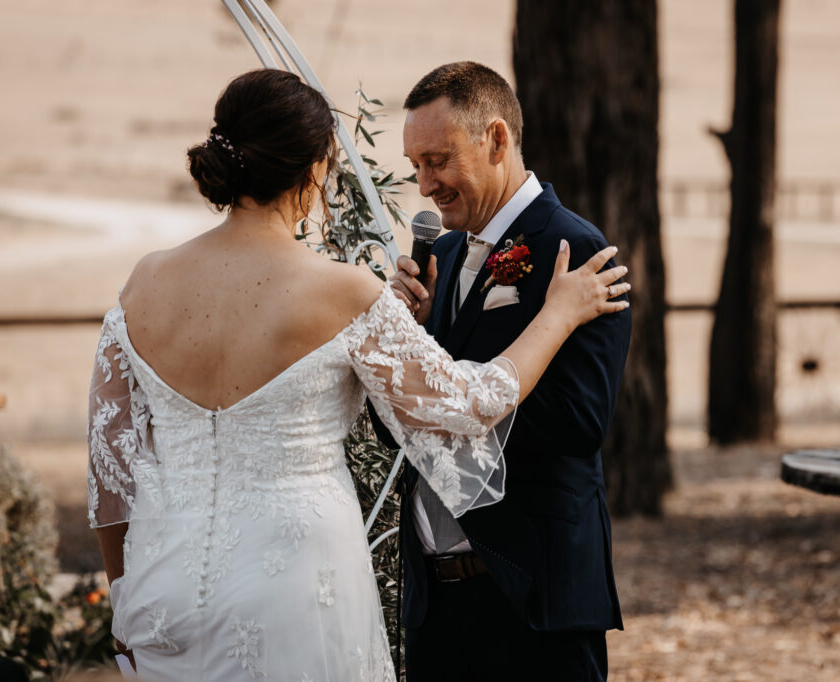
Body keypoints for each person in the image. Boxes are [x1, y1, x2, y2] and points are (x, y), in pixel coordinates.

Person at [85, 68, 629, 681]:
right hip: (297, 585)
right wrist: (556, 316)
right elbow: (470, 404)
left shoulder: (143, 284)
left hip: (166, 587)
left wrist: (126, 596)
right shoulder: (340, 291)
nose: (423, 184)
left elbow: (111, 474)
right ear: (316, 169)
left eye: (436, 161)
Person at [384, 62, 631, 681]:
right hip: (435, 601)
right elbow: (404, 422)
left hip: (530, 595)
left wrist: (449, 393)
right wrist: (401, 344)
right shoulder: (437, 255)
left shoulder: (573, 252)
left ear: (496, 139)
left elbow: (580, 421)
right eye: (416, 166)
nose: (425, 186)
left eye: (438, 161)